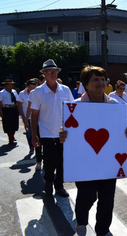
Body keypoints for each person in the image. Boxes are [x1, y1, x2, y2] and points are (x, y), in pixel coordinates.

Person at [59, 65, 127, 236]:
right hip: (84, 162)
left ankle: (103, 230)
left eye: (102, 79)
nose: (100, 82)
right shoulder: (74, 107)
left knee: (107, 198)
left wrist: (126, 131)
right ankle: (82, 220)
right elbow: (68, 132)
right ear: (85, 84)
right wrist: (62, 135)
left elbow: (119, 130)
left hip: (109, 162)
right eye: (95, 79)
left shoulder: (115, 105)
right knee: (87, 196)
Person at [30, 59, 74, 197]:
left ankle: (59, 185)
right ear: (44, 74)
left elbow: (72, 110)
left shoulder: (65, 90)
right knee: (50, 161)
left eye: (55, 71)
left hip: (63, 133)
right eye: (49, 71)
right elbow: (34, 114)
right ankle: (48, 182)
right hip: (46, 133)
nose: (53, 74)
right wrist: (34, 135)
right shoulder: (37, 92)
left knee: (62, 161)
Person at [17, 79, 37, 153]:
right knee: (29, 133)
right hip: (27, 117)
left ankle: (38, 147)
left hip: (37, 116)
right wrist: (23, 117)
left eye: (34, 87)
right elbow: (19, 106)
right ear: (27, 86)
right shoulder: (22, 94)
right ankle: (31, 146)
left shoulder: (37, 93)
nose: (32, 89)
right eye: (31, 87)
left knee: (38, 133)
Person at [0, 79, 19, 144]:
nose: (12, 86)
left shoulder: (14, 91)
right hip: (6, 109)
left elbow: (17, 100)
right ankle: (10, 138)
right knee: (8, 124)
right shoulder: (2, 93)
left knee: (14, 123)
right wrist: (1, 111)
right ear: (6, 85)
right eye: (10, 84)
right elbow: (0, 102)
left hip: (14, 108)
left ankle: (12, 135)